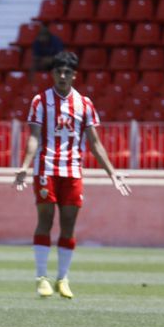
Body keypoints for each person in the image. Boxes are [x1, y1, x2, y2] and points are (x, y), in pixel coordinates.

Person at [10, 51, 130, 298]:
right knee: (45, 219)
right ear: (52, 74)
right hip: (46, 167)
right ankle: (41, 277)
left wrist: (112, 173)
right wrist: (24, 165)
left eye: (67, 72)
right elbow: (34, 137)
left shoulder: (84, 104)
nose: (62, 76)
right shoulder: (40, 101)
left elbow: (95, 143)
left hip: (73, 170)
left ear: (74, 75)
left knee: (68, 224)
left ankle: (62, 278)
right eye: (58, 72)